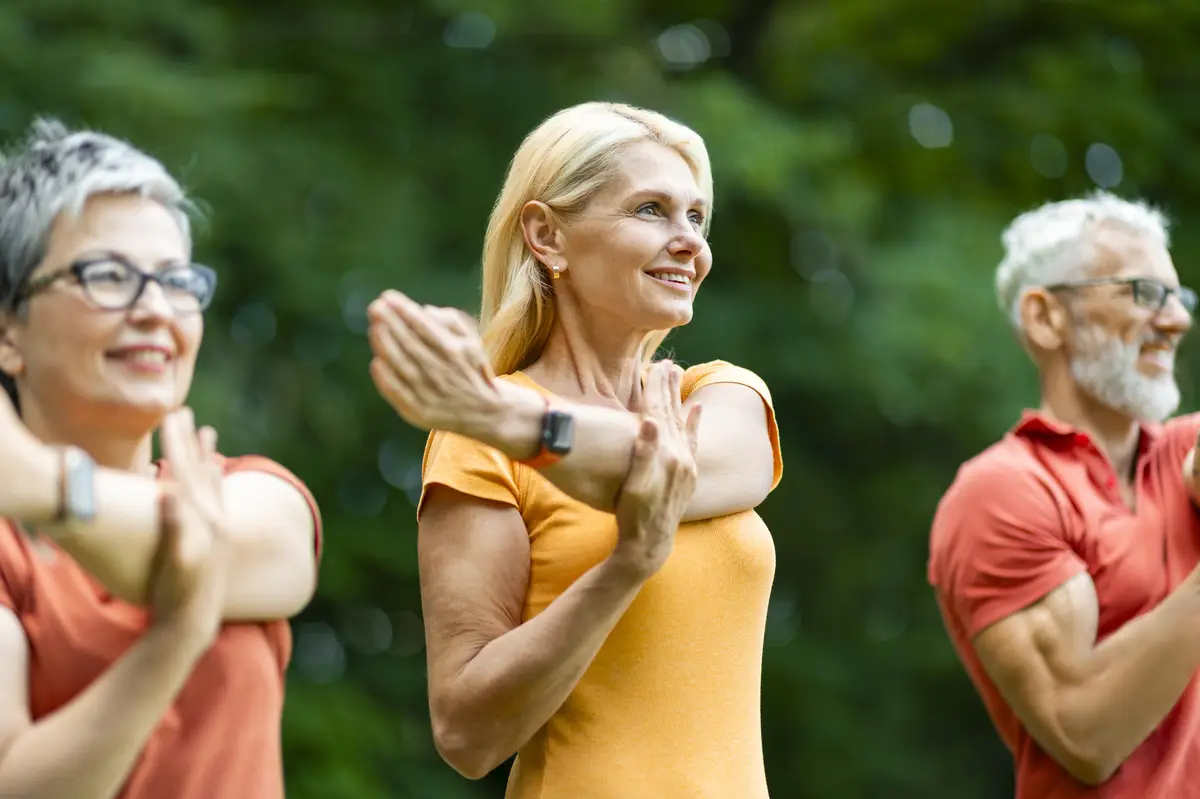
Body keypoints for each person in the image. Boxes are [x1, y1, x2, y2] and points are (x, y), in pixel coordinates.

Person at [366, 101, 784, 797]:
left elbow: (669, 470)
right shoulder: (479, 442)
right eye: (651, 209)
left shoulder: (717, 397)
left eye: (696, 217)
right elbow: (468, 734)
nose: (689, 242)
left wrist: (517, 419)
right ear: (547, 236)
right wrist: (624, 567)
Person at [0, 118, 322, 799]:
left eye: (176, 282)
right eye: (108, 274)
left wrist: (47, 486)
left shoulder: (254, 493)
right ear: (8, 332)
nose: (154, 309)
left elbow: (252, 553)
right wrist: (176, 636)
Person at [928, 190, 1200, 798]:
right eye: (1144, 292)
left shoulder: (1186, 451)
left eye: (1179, 296)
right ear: (1046, 317)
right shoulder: (1001, 492)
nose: (1177, 320)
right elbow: (1084, 733)